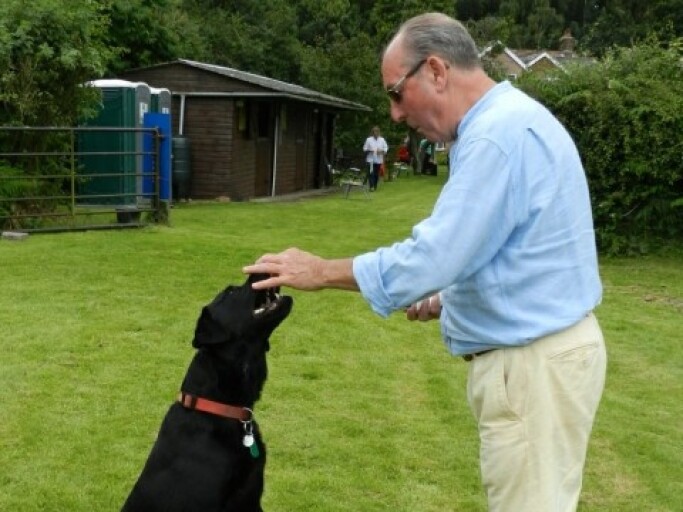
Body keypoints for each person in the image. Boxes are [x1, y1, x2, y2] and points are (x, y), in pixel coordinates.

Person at [244, 12, 605, 512]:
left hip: (532, 369)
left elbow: (432, 256)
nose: (395, 114)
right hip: (548, 358)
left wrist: (321, 270)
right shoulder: (513, 120)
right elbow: (508, 249)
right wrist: (451, 300)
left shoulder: (494, 139)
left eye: (396, 93)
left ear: (436, 70)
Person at [362, 126, 388, 191]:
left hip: (379, 160)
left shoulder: (382, 140)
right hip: (370, 160)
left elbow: (386, 148)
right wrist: (371, 150)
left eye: (377, 132)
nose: (376, 133)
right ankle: (371, 187)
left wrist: (381, 151)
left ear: (379, 132)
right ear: (372, 133)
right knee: (371, 173)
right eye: (374, 132)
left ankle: (375, 185)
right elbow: (364, 148)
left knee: (376, 174)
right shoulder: (369, 139)